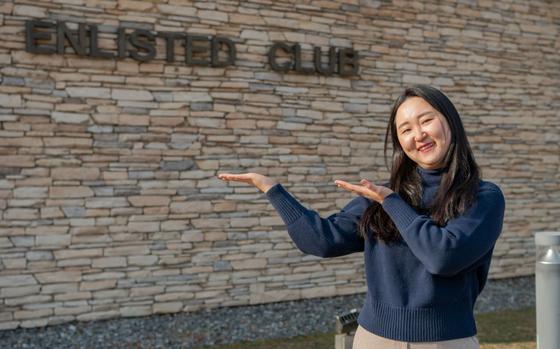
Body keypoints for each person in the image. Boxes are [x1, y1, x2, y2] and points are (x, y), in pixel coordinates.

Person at [217, 85, 505, 349]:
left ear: (450, 121)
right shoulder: (383, 196)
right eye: (405, 130)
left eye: (426, 121)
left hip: (445, 341)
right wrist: (272, 189)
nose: (418, 135)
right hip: (373, 339)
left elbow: (443, 257)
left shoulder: (482, 197)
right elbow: (321, 241)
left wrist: (392, 202)